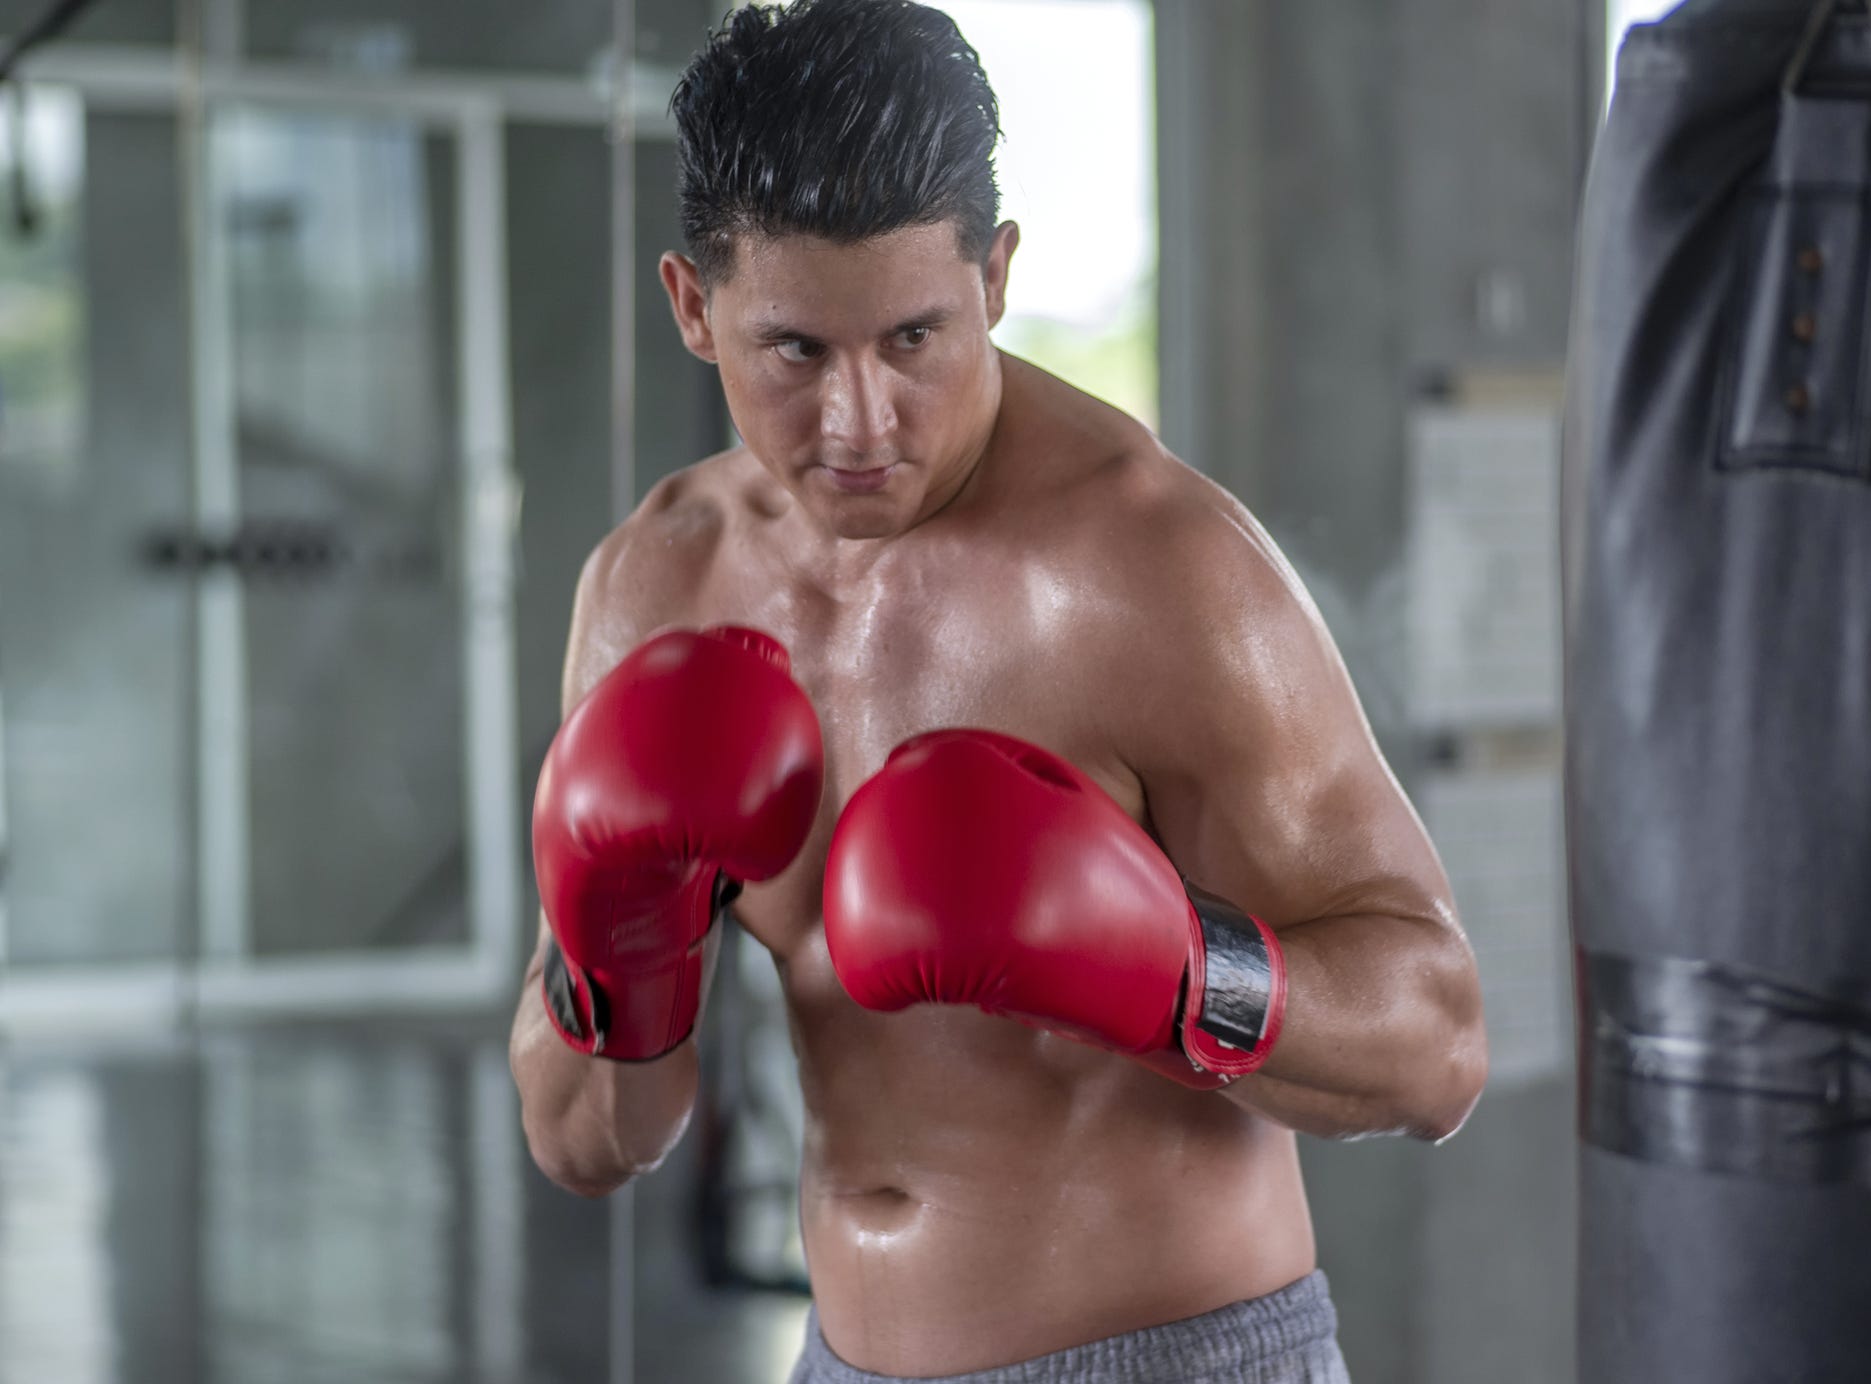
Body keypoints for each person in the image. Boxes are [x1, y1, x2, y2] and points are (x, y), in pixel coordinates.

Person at [508, 2, 1487, 1379]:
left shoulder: (1158, 569)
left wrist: (1167, 966)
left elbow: (1440, 1045)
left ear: (998, 278)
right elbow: (586, 1138)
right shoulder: (654, 592)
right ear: (691, 305)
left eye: (915, 337)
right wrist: (616, 950)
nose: (860, 424)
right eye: (794, 350)